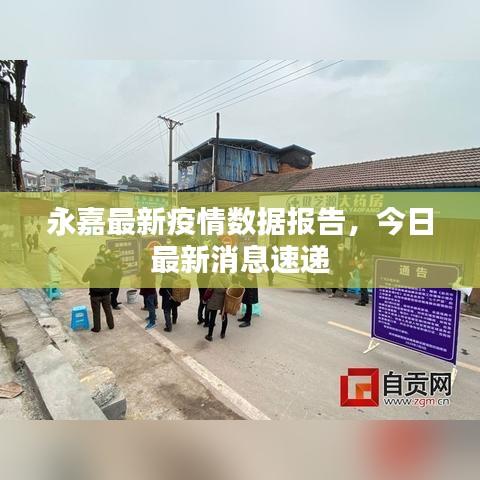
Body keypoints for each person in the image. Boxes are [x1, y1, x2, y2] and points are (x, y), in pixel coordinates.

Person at [82, 256, 114, 333]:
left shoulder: (92, 271)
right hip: (106, 294)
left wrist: (88, 269)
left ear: (95, 263)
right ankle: (111, 325)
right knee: (108, 310)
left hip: (95, 295)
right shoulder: (109, 270)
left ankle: (97, 328)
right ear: (104, 262)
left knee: (96, 312)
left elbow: (84, 279)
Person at [204, 271, 231, 341]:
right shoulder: (228, 277)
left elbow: (209, 290)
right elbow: (229, 289)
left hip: (214, 298)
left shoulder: (213, 277)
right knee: (224, 315)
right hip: (224, 299)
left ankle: (210, 335)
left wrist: (205, 298)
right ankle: (223, 333)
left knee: (212, 317)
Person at [139, 255, 157, 329]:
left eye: (141, 260)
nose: (140, 262)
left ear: (144, 261)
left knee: (151, 306)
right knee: (149, 305)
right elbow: (141, 273)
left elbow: (150, 281)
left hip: (150, 291)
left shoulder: (149, 269)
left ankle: (152, 322)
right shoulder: (144, 267)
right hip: (146, 290)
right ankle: (151, 316)